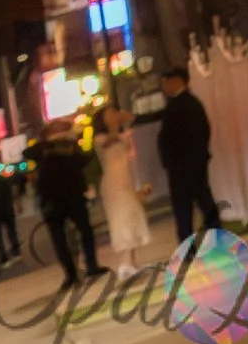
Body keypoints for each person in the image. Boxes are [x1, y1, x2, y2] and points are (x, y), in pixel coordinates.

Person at [153, 66, 221, 250]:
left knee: (186, 207)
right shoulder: (185, 103)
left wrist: (177, 159)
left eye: (166, 83)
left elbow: (196, 134)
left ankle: (190, 247)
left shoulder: (184, 104)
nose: (164, 87)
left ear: (177, 81)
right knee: (200, 203)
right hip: (190, 165)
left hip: (184, 166)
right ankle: (210, 242)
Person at [29, 121, 102, 287]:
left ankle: (91, 266)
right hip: (52, 200)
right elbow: (28, 153)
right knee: (60, 239)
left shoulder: (71, 148)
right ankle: (71, 273)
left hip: (73, 196)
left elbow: (86, 157)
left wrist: (71, 140)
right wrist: (50, 143)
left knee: (85, 231)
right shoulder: (43, 151)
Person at [93, 109, 153, 267]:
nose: (115, 116)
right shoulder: (100, 139)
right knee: (123, 219)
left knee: (133, 216)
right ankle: (125, 262)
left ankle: (131, 261)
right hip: (113, 183)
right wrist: (116, 124)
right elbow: (109, 142)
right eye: (110, 115)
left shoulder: (122, 134)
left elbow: (130, 153)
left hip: (126, 178)